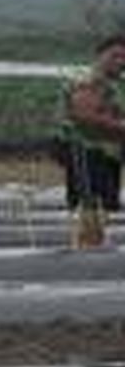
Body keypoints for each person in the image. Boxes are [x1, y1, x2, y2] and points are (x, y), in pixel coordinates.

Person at [56, 33, 125, 249]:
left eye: (124, 58)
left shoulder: (116, 84)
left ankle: (93, 244)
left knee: (104, 203)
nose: (120, 62)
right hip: (85, 148)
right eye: (115, 56)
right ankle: (87, 248)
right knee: (90, 202)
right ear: (99, 55)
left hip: (108, 151)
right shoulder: (88, 80)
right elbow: (84, 116)